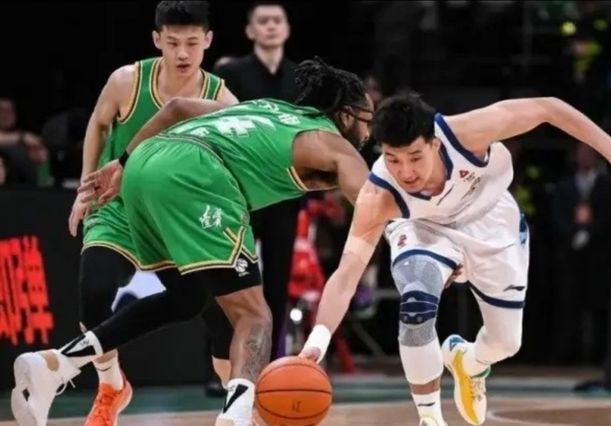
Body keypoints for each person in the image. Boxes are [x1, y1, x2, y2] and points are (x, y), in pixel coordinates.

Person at [11, 57, 374, 426]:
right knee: (254, 316)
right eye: (367, 121)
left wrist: (122, 163)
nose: (369, 133)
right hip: (198, 175)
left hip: (145, 164)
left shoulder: (267, 108)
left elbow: (177, 108)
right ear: (345, 116)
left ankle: (58, 363)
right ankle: (235, 418)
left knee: (188, 298)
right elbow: (374, 204)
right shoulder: (335, 144)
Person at [299, 93, 611, 426]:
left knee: (506, 343)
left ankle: (469, 361)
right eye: (393, 159)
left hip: (491, 222)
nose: (405, 171)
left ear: (434, 143)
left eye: (415, 157)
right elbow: (346, 274)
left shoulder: (466, 134)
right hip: (425, 229)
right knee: (416, 302)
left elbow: (548, 108)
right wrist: (317, 341)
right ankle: (430, 418)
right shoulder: (378, 195)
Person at [66, 2, 237, 425]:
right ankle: (111, 385)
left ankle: (239, 405)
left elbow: (236, 159)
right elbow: (98, 124)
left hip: (178, 218)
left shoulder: (221, 98)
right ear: (157, 39)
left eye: (192, 43)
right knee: (94, 290)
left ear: (208, 41)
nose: (183, 53)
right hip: (118, 206)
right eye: (173, 42)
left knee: (220, 313)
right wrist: (85, 187)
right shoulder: (127, 81)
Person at [211, 2, 300, 388]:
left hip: (285, 195)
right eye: (262, 21)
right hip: (239, 195)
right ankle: (222, 367)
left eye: (277, 20)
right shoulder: (230, 73)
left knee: (277, 284)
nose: (270, 27)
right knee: (230, 282)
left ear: (287, 28)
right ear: (250, 30)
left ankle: (270, 368)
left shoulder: (300, 78)